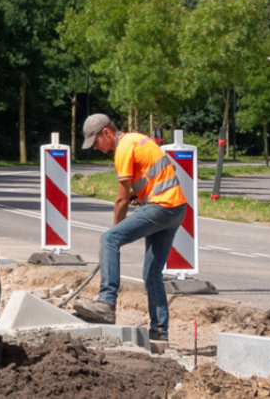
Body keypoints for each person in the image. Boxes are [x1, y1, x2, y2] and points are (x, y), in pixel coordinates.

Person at [71, 113, 186, 342]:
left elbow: (121, 201)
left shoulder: (123, 149)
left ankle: (106, 303)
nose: (95, 147)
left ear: (106, 132)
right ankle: (159, 332)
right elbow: (151, 176)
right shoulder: (136, 139)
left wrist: (115, 230)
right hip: (176, 208)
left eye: (95, 142)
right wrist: (139, 194)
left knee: (109, 239)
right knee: (152, 273)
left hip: (161, 206)